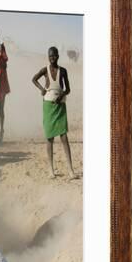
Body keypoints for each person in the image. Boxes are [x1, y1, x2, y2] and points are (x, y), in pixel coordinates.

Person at [32, 46, 76, 179]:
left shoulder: (63, 71)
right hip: (48, 106)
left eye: (54, 56)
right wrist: (42, 89)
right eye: (50, 56)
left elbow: (68, 89)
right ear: (48, 57)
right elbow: (34, 79)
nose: (52, 58)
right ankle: (51, 170)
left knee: (64, 137)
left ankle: (70, 169)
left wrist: (61, 95)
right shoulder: (44, 70)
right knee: (49, 138)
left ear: (58, 56)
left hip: (60, 105)